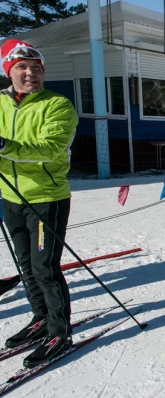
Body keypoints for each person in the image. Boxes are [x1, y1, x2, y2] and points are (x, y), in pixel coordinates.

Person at [0, 40, 78, 368]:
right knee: (26, 266)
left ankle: (60, 331)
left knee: (44, 267)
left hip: (46, 199)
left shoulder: (57, 105)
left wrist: (5, 145)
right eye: (22, 67)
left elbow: (49, 148)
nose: (30, 73)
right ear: (8, 71)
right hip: (10, 197)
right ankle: (40, 319)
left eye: (36, 68)